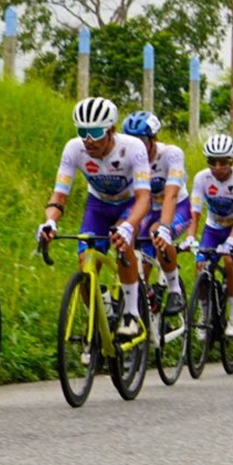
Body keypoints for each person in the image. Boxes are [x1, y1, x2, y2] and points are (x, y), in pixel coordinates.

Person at [36, 97, 151, 338]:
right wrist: (50, 221)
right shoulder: (74, 148)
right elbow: (59, 195)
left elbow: (144, 198)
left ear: (111, 130)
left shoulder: (133, 148)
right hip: (97, 207)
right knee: (84, 261)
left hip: (128, 205)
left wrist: (130, 226)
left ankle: (131, 312)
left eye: (95, 132)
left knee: (123, 241)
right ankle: (103, 312)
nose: (88, 140)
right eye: (83, 131)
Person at [182, 134, 233, 336]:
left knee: (231, 261)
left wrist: (231, 241)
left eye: (223, 162)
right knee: (200, 266)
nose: (218, 167)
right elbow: (194, 212)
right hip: (213, 228)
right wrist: (190, 237)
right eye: (212, 162)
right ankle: (204, 315)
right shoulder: (201, 178)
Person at [121, 110, 189, 315]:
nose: (136, 147)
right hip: (149, 210)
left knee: (157, 233)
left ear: (154, 139)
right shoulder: (126, 157)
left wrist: (165, 228)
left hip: (177, 207)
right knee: (139, 260)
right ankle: (145, 300)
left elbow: (171, 195)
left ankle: (175, 290)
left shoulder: (171, 154)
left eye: (141, 141)